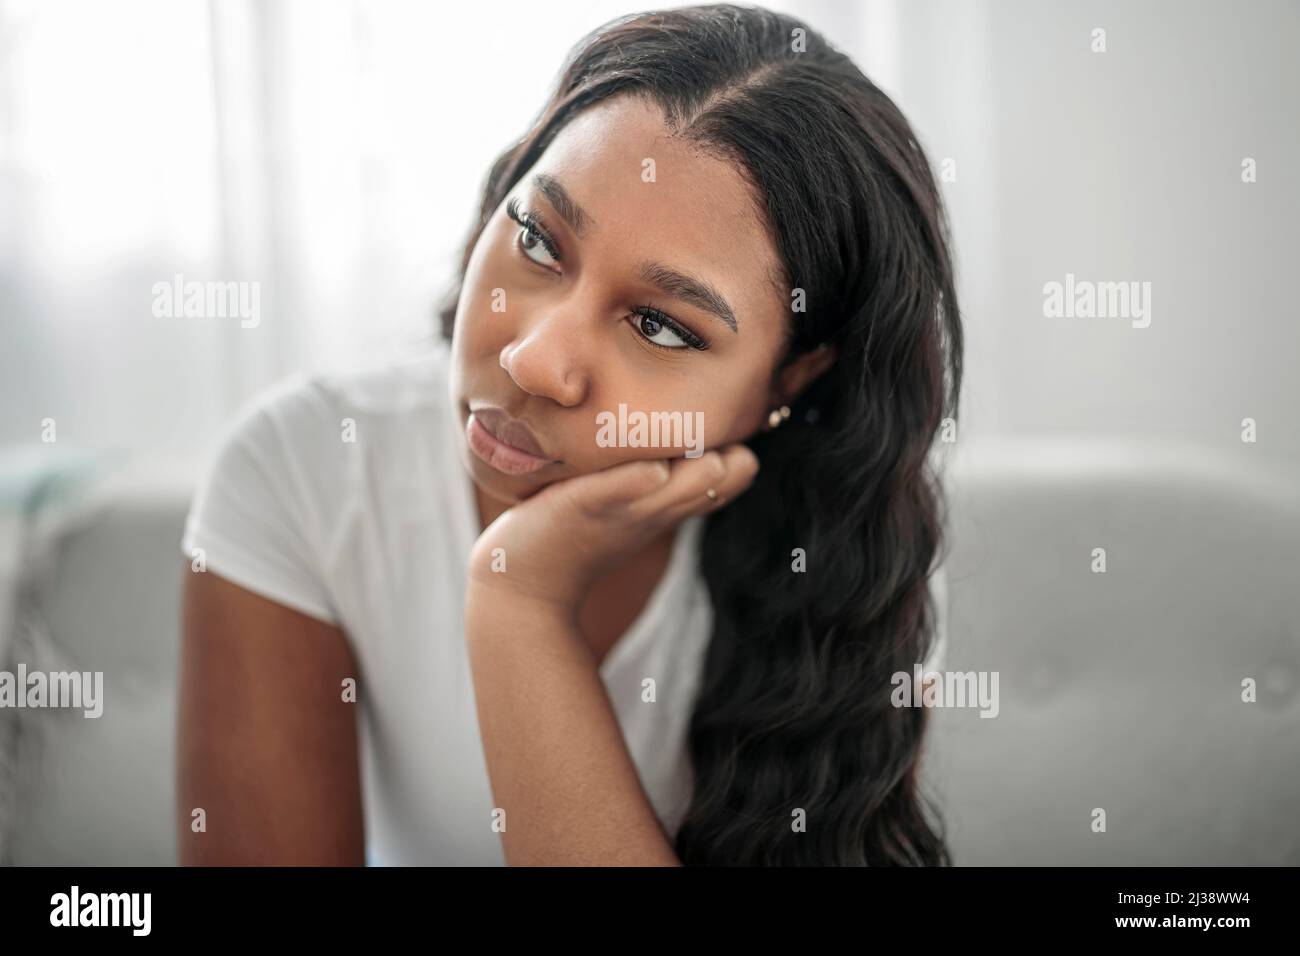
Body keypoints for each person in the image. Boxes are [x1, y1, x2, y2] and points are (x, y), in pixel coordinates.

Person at [176, 3, 963, 866]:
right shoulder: (304, 468)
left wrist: (521, 608)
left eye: (661, 327)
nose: (534, 359)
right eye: (538, 240)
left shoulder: (851, 561)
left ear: (791, 377)